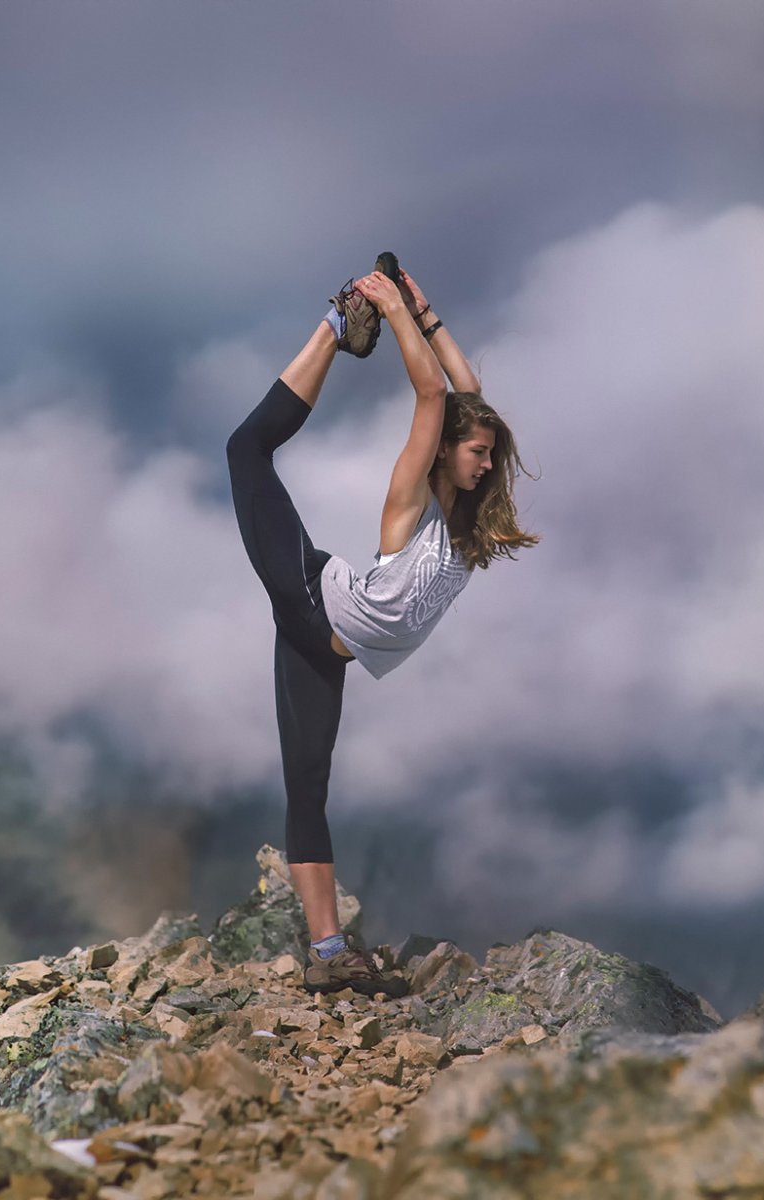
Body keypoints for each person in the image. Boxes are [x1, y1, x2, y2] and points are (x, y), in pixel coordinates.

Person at [224, 260, 539, 996]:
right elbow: (437, 393)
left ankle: (330, 951)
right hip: (309, 596)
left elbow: (468, 397)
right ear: (443, 455)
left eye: (491, 454)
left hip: (326, 648)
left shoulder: (467, 526)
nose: (489, 463)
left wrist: (428, 318)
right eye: (477, 452)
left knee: (309, 786)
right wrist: (390, 310)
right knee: (246, 451)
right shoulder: (414, 499)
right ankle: (334, 328)